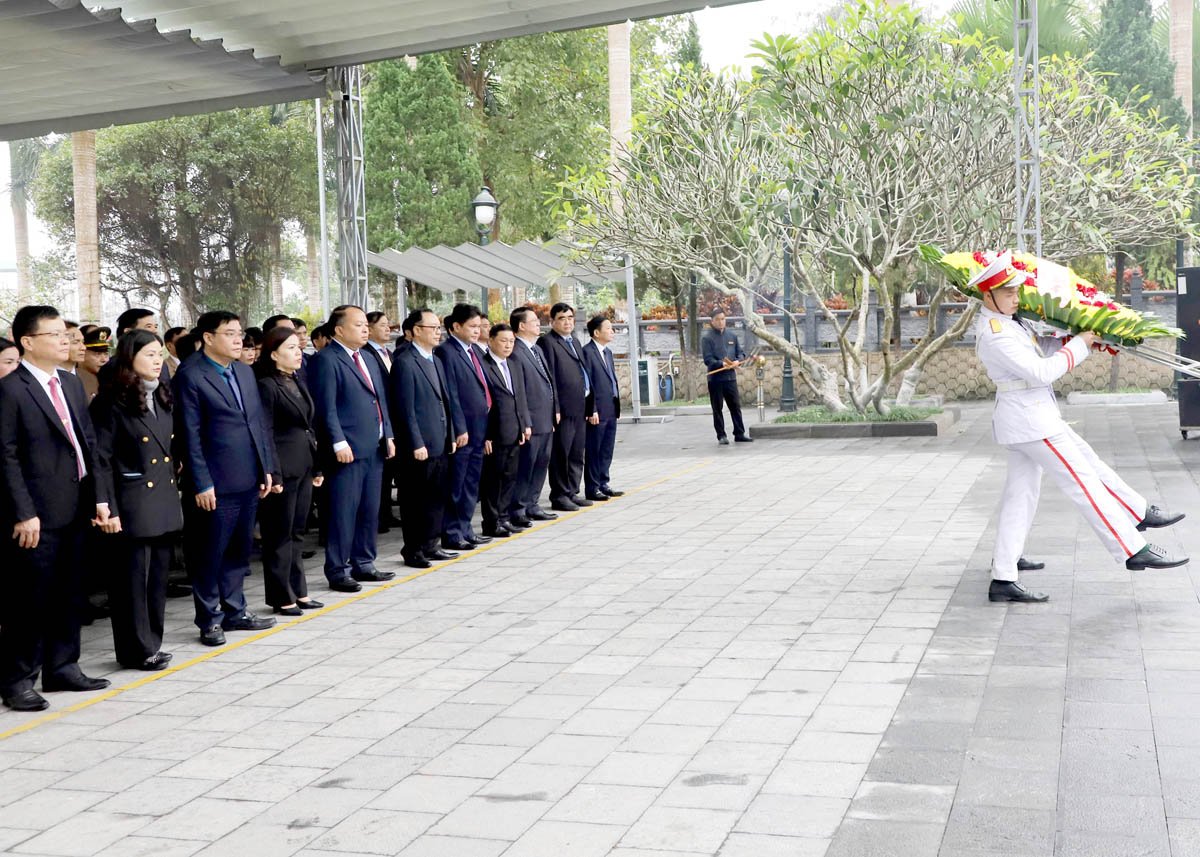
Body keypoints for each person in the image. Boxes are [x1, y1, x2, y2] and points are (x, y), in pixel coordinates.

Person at [971, 252, 1187, 604]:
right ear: (987, 296)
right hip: (1031, 422)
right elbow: (1042, 372)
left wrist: (1080, 342)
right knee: (1083, 482)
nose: (1015, 297)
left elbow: (1038, 350)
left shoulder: (1009, 322)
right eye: (1008, 293)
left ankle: (1004, 572)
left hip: (1029, 418)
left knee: (1025, 494)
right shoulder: (995, 333)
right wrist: (1080, 346)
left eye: (1015, 291)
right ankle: (1132, 548)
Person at [0, 305, 115, 711]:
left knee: (70, 592)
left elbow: (89, 445)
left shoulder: (67, 384)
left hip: (76, 505)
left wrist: (100, 498)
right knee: (29, 600)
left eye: (64, 334)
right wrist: (22, 512)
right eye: (54, 334)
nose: (64, 340)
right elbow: (5, 456)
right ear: (27, 342)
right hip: (36, 514)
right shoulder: (11, 389)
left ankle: (63, 666)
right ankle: (18, 680)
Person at [173, 310, 278, 646]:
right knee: (209, 553)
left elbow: (258, 424)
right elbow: (189, 435)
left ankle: (236, 611)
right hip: (214, 484)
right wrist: (201, 482)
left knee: (238, 551)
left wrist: (266, 469)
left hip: (247, 476)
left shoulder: (244, 372)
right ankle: (209, 620)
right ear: (207, 338)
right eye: (230, 334)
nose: (238, 340)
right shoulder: (191, 375)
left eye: (239, 334)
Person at [89, 329, 182, 671]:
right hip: (131, 501)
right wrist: (105, 505)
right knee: (131, 583)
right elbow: (100, 458)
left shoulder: (160, 395)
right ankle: (134, 649)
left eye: (160, 354)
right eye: (149, 355)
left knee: (156, 579)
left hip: (161, 498)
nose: (157, 361)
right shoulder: (111, 401)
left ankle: (151, 644)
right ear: (130, 358)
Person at [310, 305, 396, 592]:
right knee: (343, 511)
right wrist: (337, 441)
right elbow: (326, 407)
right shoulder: (327, 359)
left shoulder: (368, 357)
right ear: (338, 329)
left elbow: (381, 398)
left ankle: (364, 562)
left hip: (374, 444)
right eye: (358, 324)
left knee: (370, 509)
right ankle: (338, 569)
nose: (364, 329)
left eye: (365, 325)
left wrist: (390, 436)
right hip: (347, 448)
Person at [255, 327, 324, 615]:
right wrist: (273, 472)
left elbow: (309, 426)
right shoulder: (268, 385)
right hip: (283, 469)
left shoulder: (296, 380)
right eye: (291, 348)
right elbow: (265, 431)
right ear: (273, 354)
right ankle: (281, 595)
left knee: (297, 531)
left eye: (298, 347)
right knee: (279, 535)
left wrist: (317, 465)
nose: (298, 352)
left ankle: (300, 591)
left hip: (304, 464)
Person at [388, 309, 460, 569]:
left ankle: (432, 544)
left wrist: (450, 434)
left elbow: (446, 401)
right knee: (415, 500)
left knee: (436, 497)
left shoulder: (436, 360)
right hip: (418, 446)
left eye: (438, 327)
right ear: (416, 330)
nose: (438, 332)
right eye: (432, 327)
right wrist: (416, 442)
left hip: (439, 440)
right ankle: (414, 549)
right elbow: (404, 410)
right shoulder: (405, 362)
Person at [435, 304, 492, 551]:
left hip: (479, 428)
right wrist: (459, 428)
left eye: (479, 326)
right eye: (472, 326)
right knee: (456, 484)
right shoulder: (447, 352)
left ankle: (466, 528)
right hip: (464, 431)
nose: (477, 331)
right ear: (455, 327)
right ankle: (452, 532)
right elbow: (451, 394)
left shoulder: (475, 351)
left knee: (471, 483)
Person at [538, 303, 593, 511]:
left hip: (579, 406)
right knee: (562, 453)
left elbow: (584, 373)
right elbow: (550, 377)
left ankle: (572, 491)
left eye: (570, 317)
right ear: (552, 322)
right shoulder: (548, 342)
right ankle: (560, 495)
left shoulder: (575, 342)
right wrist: (556, 408)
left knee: (577, 452)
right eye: (562, 318)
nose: (567, 321)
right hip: (564, 409)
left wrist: (590, 405)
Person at [507, 307, 558, 525]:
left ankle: (533, 504)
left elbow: (547, 382)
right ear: (521, 326)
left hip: (545, 419)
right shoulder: (516, 351)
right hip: (531, 421)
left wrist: (554, 410)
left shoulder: (536, 350)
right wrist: (525, 421)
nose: (539, 323)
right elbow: (519, 391)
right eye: (534, 321)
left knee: (541, 463)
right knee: (526, 466)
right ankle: (518, 509)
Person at [480, 323, 530, 538]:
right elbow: (483, 403)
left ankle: (504, 518)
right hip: (495, 432)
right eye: (503, 341)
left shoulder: (514, 364)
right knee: (494, 479)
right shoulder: (483, 365)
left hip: (514, 429)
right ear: (491, 340)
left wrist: (524, 423)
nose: (508, 345)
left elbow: (520, 397)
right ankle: (491, 522)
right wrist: (486, 435)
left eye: (511, 341)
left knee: (510, 477)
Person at [365, 311, 400, 532]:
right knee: (380, 473)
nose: (388, 329)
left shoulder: (389, 353)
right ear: (369, 329)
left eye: (389, 325)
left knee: (388, 471)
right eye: (383, 325)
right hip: (376, 422)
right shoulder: (367, 354)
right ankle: (378, 517)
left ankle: (385, 513)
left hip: (391, 421)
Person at [582, 316, 623, 501]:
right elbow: (588, 384)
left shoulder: (607, 352)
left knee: (607, 448)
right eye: (608, 328)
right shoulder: (587, 353)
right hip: (597, 410)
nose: (612, 331)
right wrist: (592, 409)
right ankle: (592, 487)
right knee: (594, 449)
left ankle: (603, 482)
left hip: (610, 408)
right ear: (596, 332)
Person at [702, 310, 752, 445]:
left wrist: (737, 361)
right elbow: (708, 359)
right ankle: (721, 435)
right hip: (716, 379)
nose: (721, 321)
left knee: (735, 406)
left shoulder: (732, 336)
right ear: (712, 321)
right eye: (717, 319)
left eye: (723, 319)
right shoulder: (707, 338)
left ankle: (739, 433)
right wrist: (721, 363)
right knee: (717, 408)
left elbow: (741, 354)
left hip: (730, 377)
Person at [79, 326, 111, 401]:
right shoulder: (72, 382)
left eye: (106, 354)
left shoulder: (110, 379)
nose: (104, 360)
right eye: (98, 354)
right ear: (82, 352)